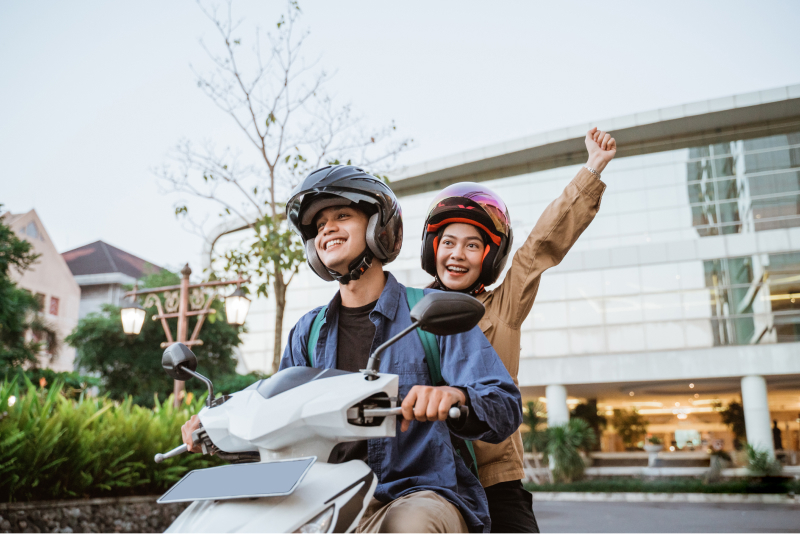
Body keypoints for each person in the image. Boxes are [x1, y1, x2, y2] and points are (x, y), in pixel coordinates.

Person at [182, 165, 522, 533]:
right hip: (324, 498)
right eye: (319, 224)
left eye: (341, 215)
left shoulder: (428, 315)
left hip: (413, 493)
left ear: (380, 228)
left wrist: (454, 398)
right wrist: (218, 421)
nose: (327, 228)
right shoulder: (307, 332)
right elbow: (276, 411)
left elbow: (503, 402)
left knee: (410, 528)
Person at [419, 127, 617, 532]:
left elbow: (541, 245)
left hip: (495, 481)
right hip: (426, 481)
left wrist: (591, 170)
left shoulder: (504, 307)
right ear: (432, 248)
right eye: (449, 242)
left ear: (489, 255)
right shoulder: (406, 312)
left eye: (473, 245)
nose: (458, 254)